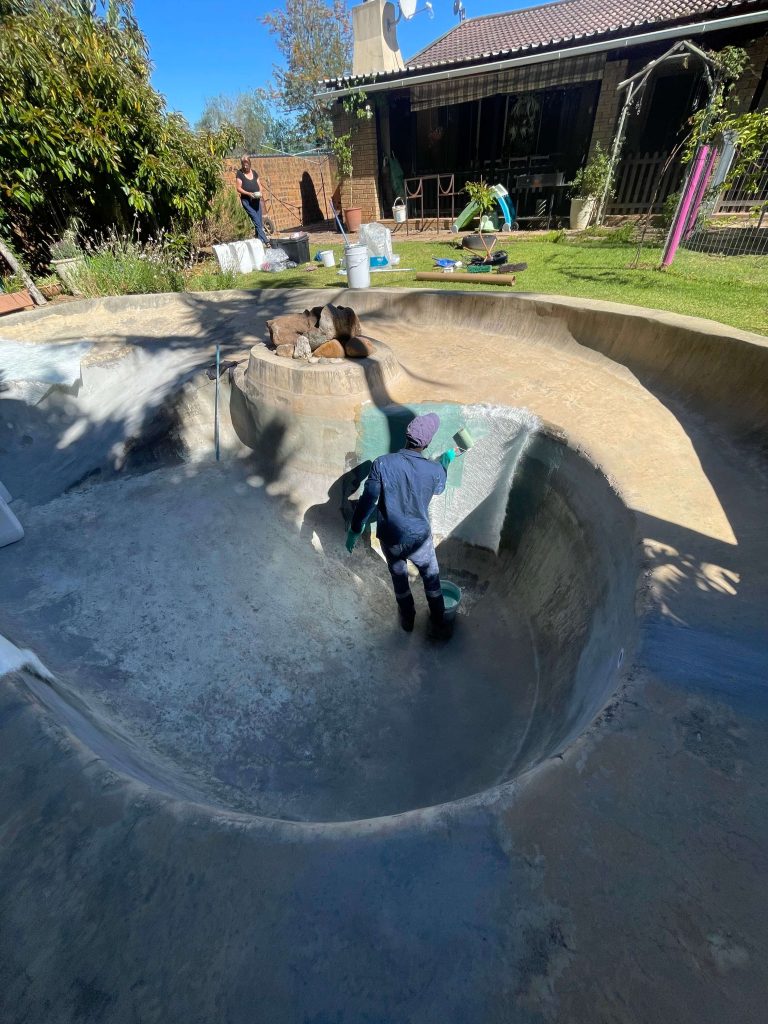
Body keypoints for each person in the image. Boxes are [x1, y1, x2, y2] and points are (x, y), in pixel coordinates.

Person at [345, 413, 456, 636]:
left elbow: (369, 500)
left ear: (407, 434)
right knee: (431, 579)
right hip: (420, 540)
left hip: (390, 538)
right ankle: (438, 623)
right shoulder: (433, 471)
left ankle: (407, 620)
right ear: (427, 442)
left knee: (399, 579)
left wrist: (355, 529)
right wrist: (444, 464)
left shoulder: (382, 464)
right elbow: (439, 489)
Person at [235, 155, 270, 247]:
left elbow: (260, 185)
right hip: (247, 202)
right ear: (242, 164)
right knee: (257, 221)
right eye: (243, 165)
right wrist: (248, 193)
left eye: (247, 164)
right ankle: (266, 241)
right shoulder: (239, 173)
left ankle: (258, 242)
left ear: (250, 163)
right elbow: (238, 188)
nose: (245, 166)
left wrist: (260, 192)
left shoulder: (254, 173)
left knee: (259, 221)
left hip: (256, 200)